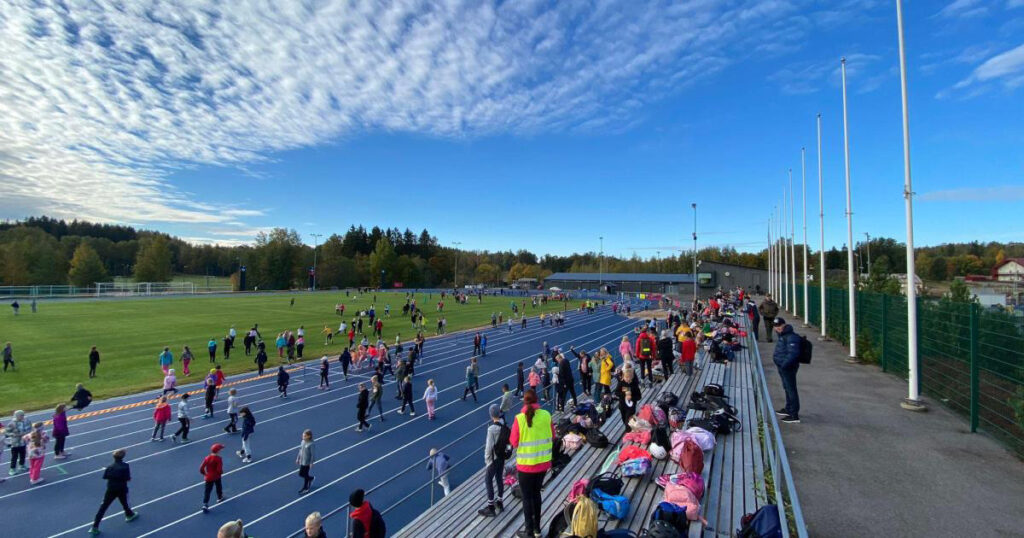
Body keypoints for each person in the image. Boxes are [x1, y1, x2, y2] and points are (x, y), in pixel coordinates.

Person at [509, 389, 554, 538]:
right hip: (542, 464)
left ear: (525, 401)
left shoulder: (519, 418)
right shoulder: (546, 415)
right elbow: (552, 435)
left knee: (527, 498)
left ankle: (529, 531)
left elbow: (514, 442)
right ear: (536, 400)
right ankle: (537, 530)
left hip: (526, 466)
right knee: (536, 495)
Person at [87, 449, 139, 535]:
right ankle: (129, 515)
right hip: (122, 488)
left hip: (111, 489)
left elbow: (105, 477)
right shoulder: (125, 466)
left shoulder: (109, 467)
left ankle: (95, 526)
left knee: (103, 507)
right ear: (123, 457)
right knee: (125, 502)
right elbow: (128, 478)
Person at [478, 404, 508, 517]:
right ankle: (500, 501)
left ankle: (491, 507)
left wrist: (487, 461)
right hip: (501, 457)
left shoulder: (491, 429)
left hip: (493, 459)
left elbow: (489, 447)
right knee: (499, 478)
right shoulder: (504, 425)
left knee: (488, 480)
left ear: (491, 415)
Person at [772, 317, 802, 424]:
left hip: (788, 367)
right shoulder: (783, 336)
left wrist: (784, 365)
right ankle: (788, 408)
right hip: (783, 367)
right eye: (776, 326)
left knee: (791, 389)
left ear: (784, 325)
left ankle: (794, 414)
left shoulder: (791, 337)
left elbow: (793, 354)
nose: (777, 328)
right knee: (786, 387)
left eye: (779, 326)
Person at [200, 443, 226, 512]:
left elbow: (201, 468)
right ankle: (220, 497)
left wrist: (205, 474)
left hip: (208, 477)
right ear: (218, 451)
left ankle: (205, 504)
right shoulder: (218, 459)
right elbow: (219, 469)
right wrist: (221, 472)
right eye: (220, 450)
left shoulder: (207, 458)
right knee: (218, 486)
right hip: (216, 476)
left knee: (207, 491)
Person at [6, 411, 30, 475]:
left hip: (23, 442)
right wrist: (13, 434)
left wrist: (26, 432)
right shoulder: (12, 423)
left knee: (23, 455)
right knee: (14, 457)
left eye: (23, 415)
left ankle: (22, 465)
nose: (23, 417)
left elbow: (29, 429)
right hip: (15, 444)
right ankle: (12, 469)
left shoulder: (25, 421)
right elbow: (6, 433)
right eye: (21, 415)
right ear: (17, 416)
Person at [296, 429, 316, 494]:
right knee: (301, 474)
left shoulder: (311, 444)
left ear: (309, 436)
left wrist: (311, 463)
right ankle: (310, 478)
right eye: (303, 435)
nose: (303, 437)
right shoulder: (303, 441)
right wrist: (298, 458)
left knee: (304, 474)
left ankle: (306, 488)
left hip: (307, 462)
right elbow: (300, 450)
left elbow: (313, 454)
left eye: (304, 436)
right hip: (302, 460)